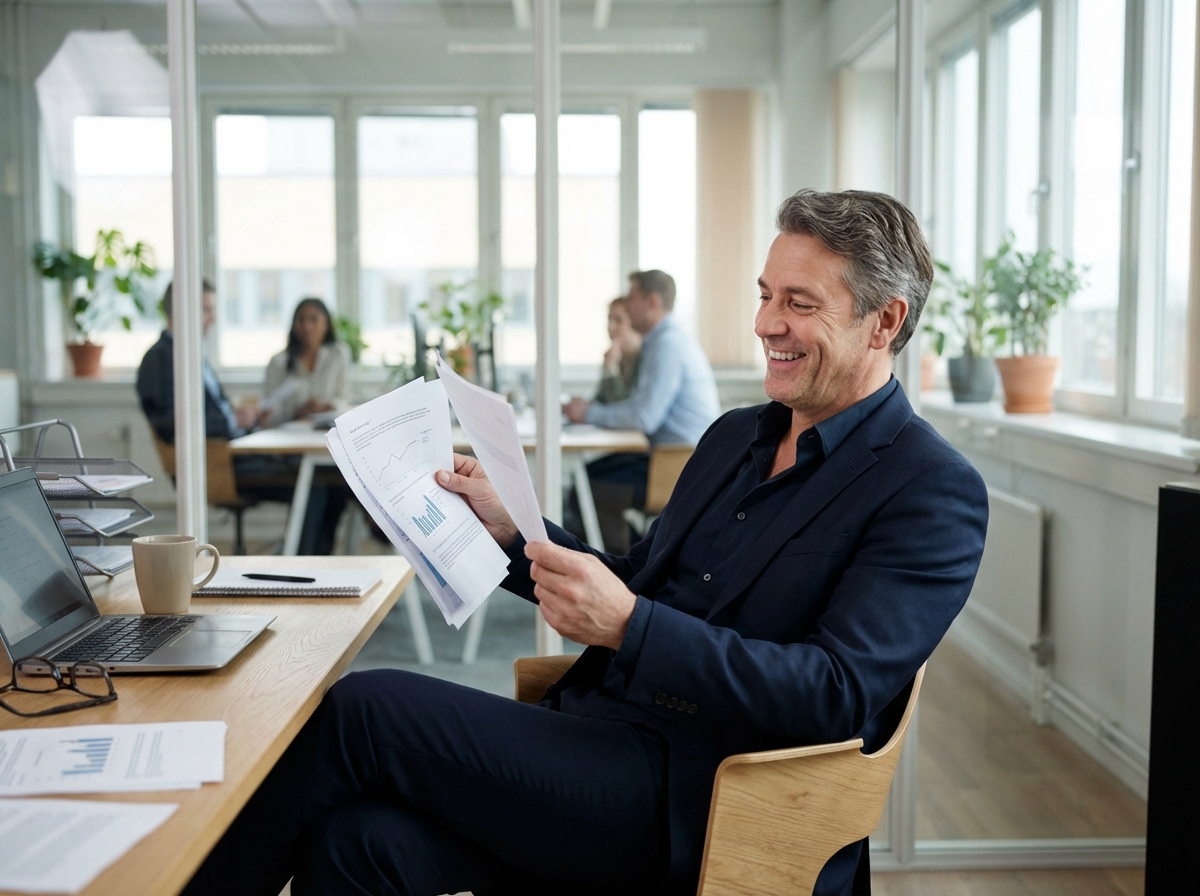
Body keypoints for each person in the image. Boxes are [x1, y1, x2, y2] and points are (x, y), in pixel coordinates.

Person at [183, 189, 989, 896]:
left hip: (701, 795)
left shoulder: (928, 489)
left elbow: (835, 692)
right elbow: (639, 581)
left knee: (365, 709)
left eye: (800, 303)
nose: (766, 323)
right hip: (594, 740)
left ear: (886, 321)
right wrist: (511, 530)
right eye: (765, 294)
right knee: (353, 843)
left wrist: (632, 627)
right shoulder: (734, 437)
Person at [135, 282, 347, 555]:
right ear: (181, 309)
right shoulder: (161, 358)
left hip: (235, 452)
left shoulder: (189, 353)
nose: (212, 318)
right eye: (206, 310)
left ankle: (313, 563)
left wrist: (247, 418)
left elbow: (212, 412)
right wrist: (233, 422)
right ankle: (301, 567)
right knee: (316, 482)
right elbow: (171, 425)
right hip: (217, 464)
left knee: (332, 481)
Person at [566, 270, 720, 552]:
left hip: (678, 466)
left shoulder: (667, 345)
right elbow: (637, 407)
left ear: (652, 302)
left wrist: (588, 414)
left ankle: (640, 563)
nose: (627, 305)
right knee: (584, 478)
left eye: (632, 298)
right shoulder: (663, 341)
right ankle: (645, 557)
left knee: (587, 487)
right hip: (670, 457)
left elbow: (644, 417)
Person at [262, 297, 350, 425]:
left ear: (326, 324)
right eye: (301, 320)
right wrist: (297, 412)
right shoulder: (278, 362)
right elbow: (268, 412)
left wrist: (326, 407)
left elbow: (343, 398)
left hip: (327, 428)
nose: (307, 326)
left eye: (314, 319)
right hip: (288, 431)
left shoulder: (338, 354)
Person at [593, 296, 642, 405]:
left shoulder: (645, 357)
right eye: (609, 320)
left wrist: (611, 370)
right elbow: (600, 400)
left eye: (618, 320)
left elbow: (622, 407)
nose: (610, 327)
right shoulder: (616, 356)